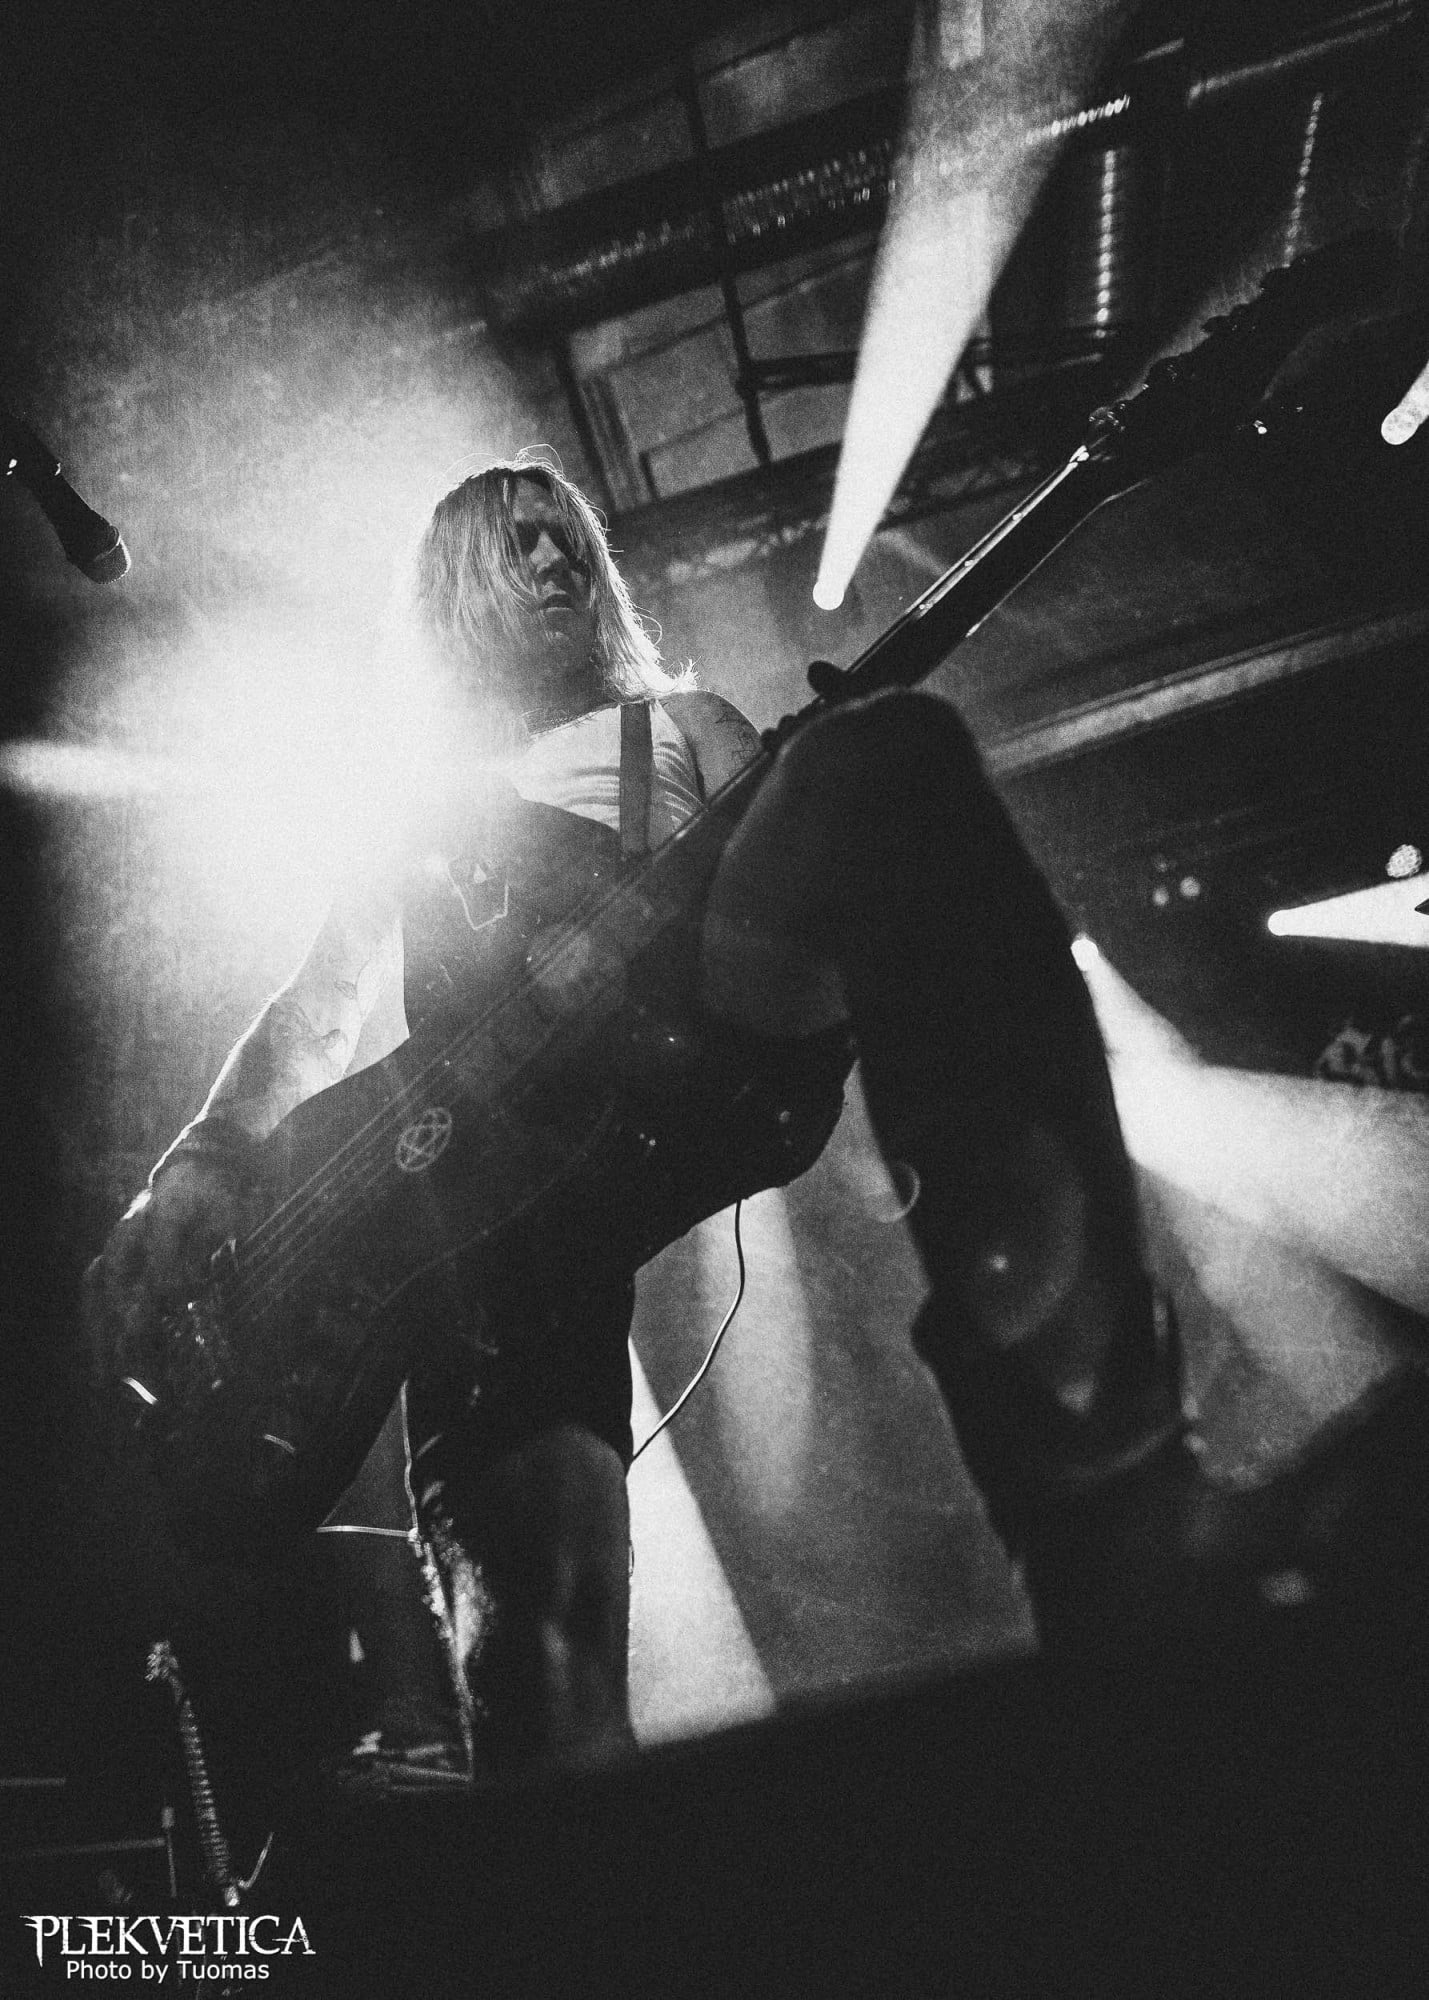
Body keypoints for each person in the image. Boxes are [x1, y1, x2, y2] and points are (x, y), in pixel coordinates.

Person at [88, 453, 1413, 1781]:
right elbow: (311, 1011)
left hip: (693, 1038)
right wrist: (199, 1163)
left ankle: (1106, 1498)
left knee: (879, 760)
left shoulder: (670, 730)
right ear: (454, 591)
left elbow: (770, 864)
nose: (555, 561)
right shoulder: (410, 806)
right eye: (519, 543)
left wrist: (798, 825)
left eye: (568, 542)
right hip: (480, 1222)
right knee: (538, 1689)